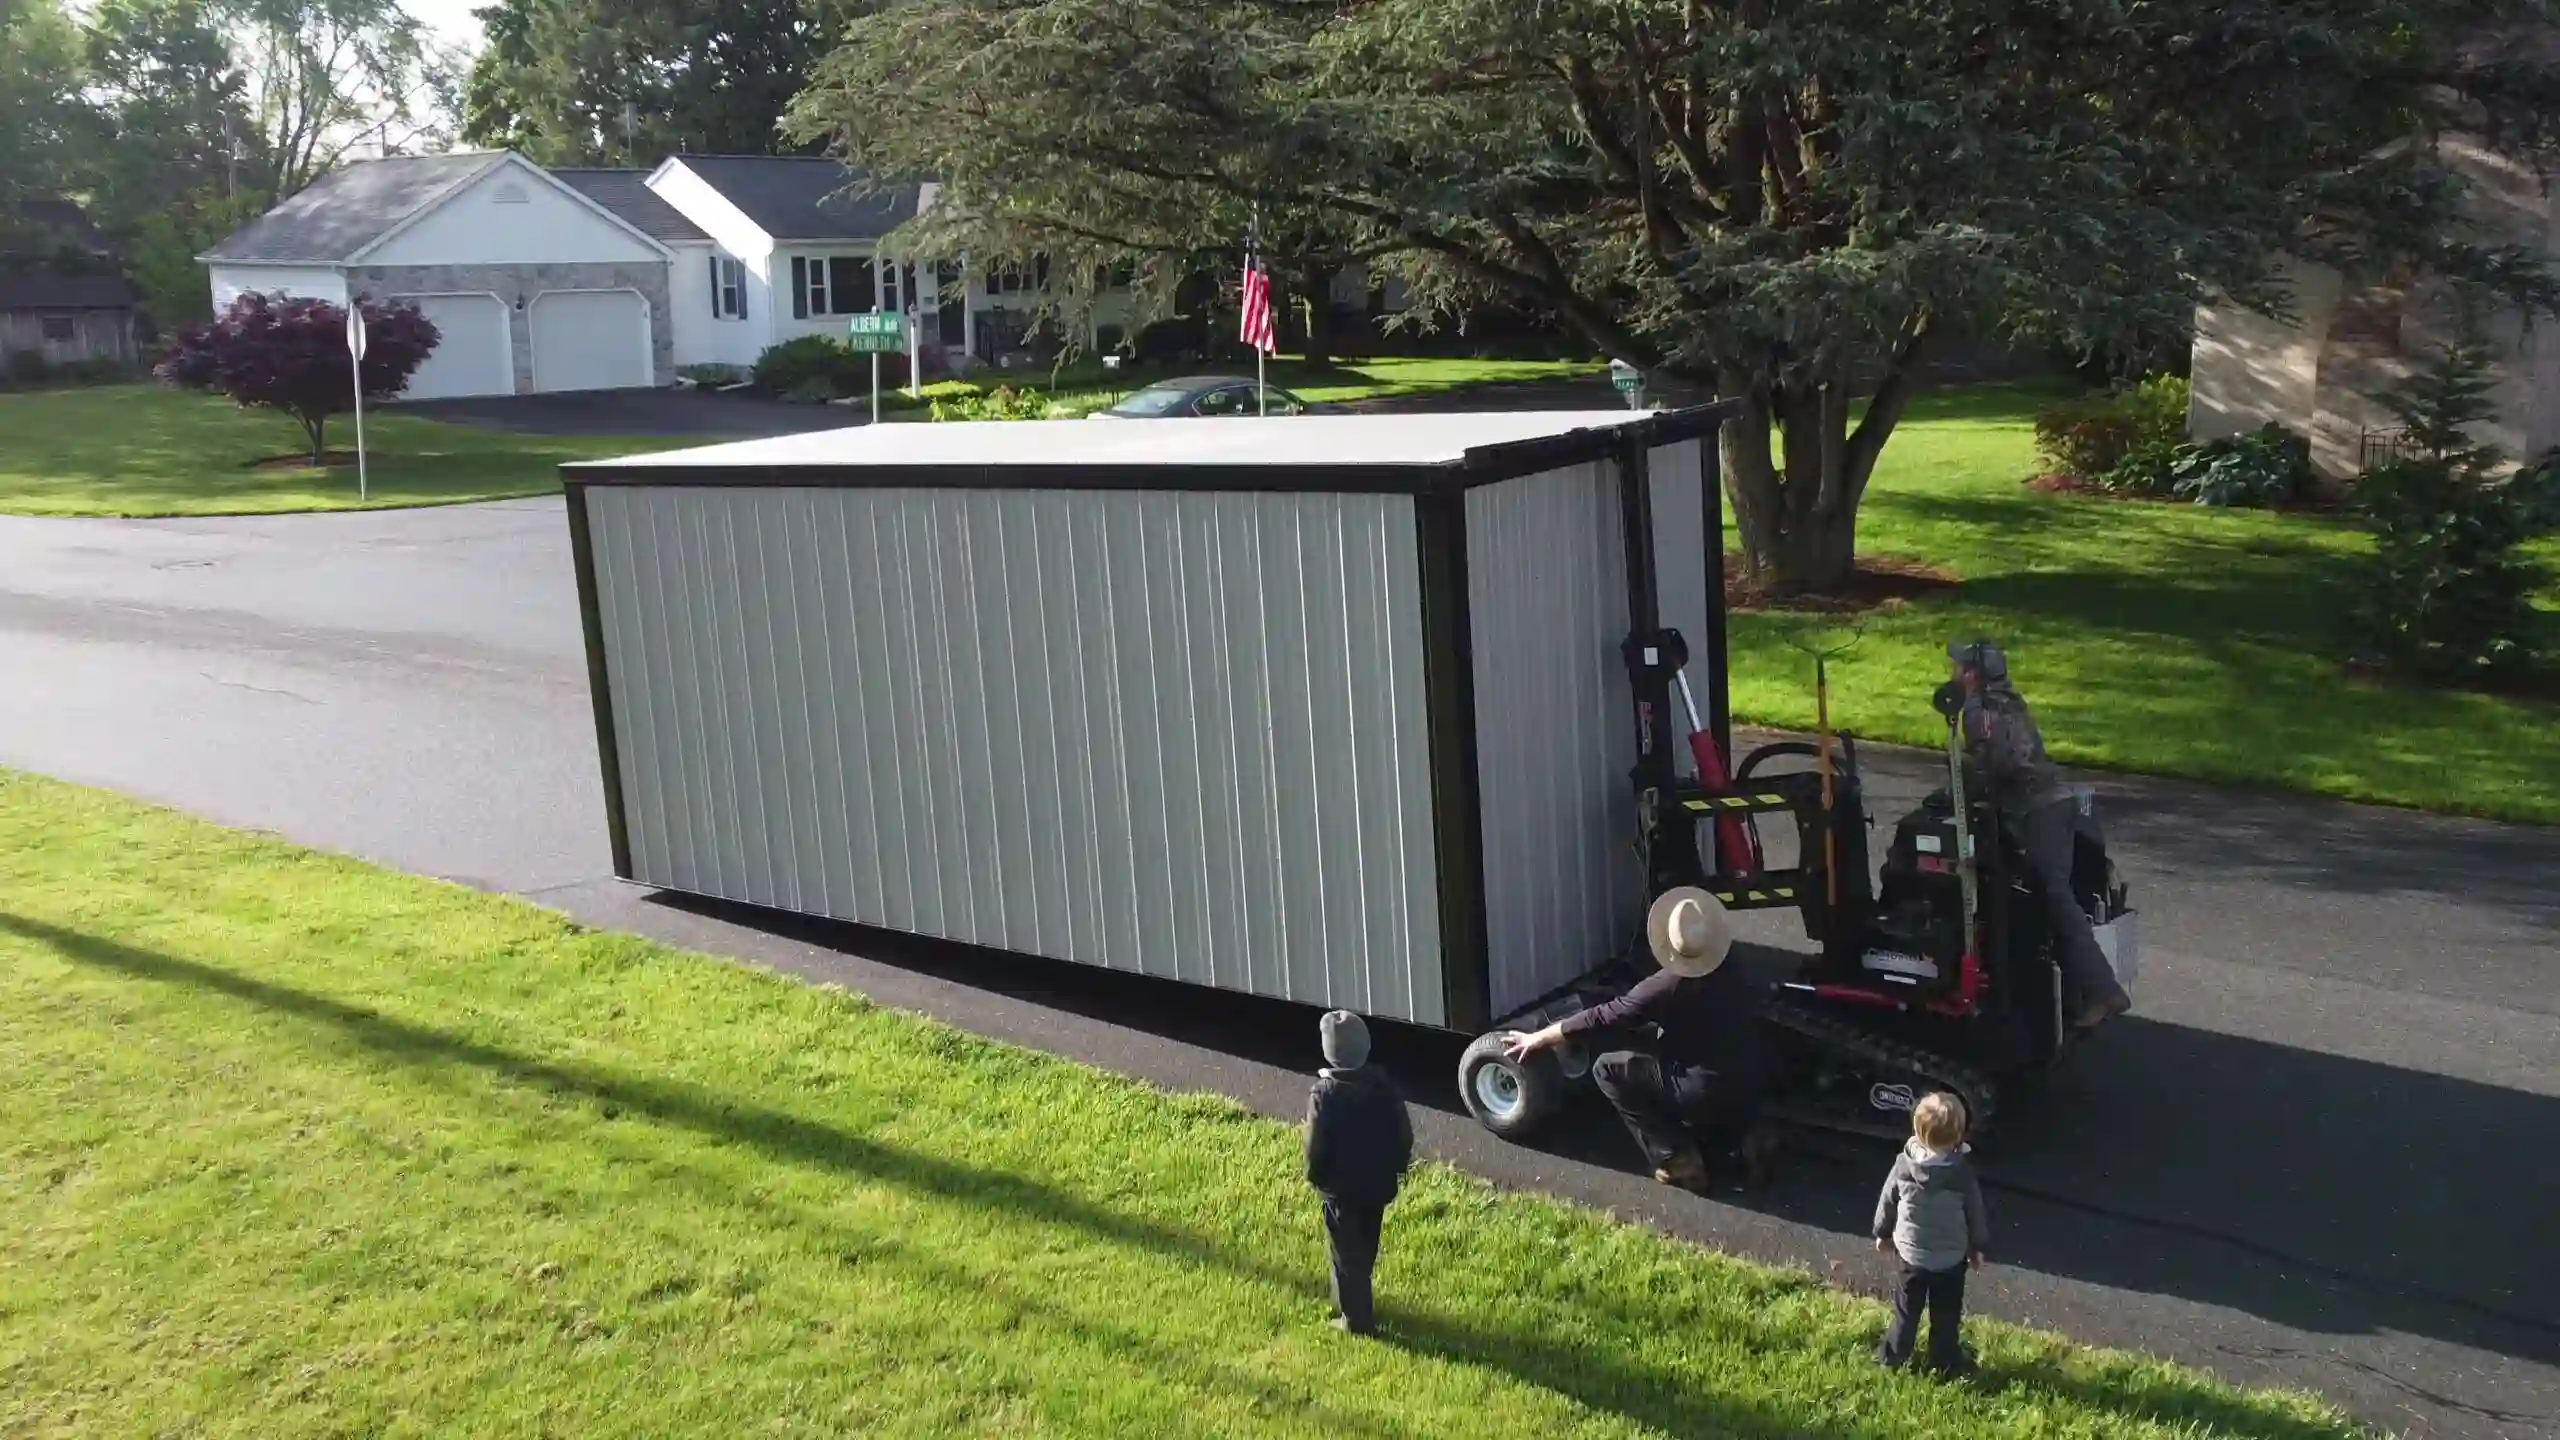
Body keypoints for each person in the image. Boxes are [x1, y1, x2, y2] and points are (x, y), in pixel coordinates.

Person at [1503, 887, 1767, 1192]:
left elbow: (1602, 1017)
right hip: (1749, 1079)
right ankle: (1741, 1139)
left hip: (1705, 1090)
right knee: (1677, 1051)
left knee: (1608, 1068)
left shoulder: (1667, 985)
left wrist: (1538, 1037)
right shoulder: (1732, 962)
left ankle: (1677, 1159)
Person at [1945, 637, 2131, 1030]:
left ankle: (2104, 991)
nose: (1952, 672)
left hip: (2038, 811)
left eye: (1957, 666)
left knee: (2054, 896)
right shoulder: (2009, 701)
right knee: (2039, 898)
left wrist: (1963, 788)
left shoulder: (1980, 711)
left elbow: (1996, 766)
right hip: (2057, 802)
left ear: (1972, 673)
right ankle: (2069, 997)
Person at [1304, 1009, 1413, 1336]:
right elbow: (1403, 1134)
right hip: (1377, 1184)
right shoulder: (1384, 1085)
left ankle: (1355, 1320)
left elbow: (1314, 1145)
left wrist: (1314, 1176)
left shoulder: (1324, 1094)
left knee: (1345, 1253)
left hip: (1341, 1191)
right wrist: (1397, 1166)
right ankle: (1357, 1292)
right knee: (1366, 1242)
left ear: (1329, 1052)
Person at [1871, 1091, 1989, 1375]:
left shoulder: (1904, 1166)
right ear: (1959, 1135)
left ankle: (1893, 1358)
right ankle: (1944, 1362)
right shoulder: (1961, 1175)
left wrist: (1882, 1233)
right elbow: (1975, 1212)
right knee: (1946, 1315)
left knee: (1906, 1311)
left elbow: (1888, 1201)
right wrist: (1978, 1246)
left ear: (1916, 1129)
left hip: (1910, 1256)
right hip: (1950, 1260)